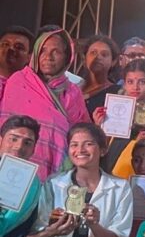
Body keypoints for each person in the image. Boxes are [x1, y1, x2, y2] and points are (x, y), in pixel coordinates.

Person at [0, 28, 89, 179]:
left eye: (56, 52)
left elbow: (80, 134)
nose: (48, 57)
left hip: (54, 171)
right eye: (43, 51)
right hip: (9, 167)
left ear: (67, 57)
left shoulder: (73, 92)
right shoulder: (18, 81)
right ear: (35, 54)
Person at [99, 59, 145, 178]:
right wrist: (99, 125)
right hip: (112, 175)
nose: (135, 87)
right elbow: (102, 147)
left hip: (142, 177)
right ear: (124, 84)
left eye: (142, 82)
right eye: (130, 82)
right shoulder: (113, 112)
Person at [0, 116, 40, 237]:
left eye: (27, 142)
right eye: (13, 139)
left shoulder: (34, 185)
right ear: (1, 140)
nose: (18, 147)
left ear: (33, 149)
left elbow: (19, 234)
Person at [81, 35, 121, 111]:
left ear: (113, 61)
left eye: (104, 54)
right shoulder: (73, 89)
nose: (98, 57)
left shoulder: (117, 93)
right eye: (93, 53)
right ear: (85, 59)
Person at [0, 26, 33, 96]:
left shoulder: (33, 91)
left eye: (18, 47)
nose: (10, 49)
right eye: (5, 44)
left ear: (29, 57)